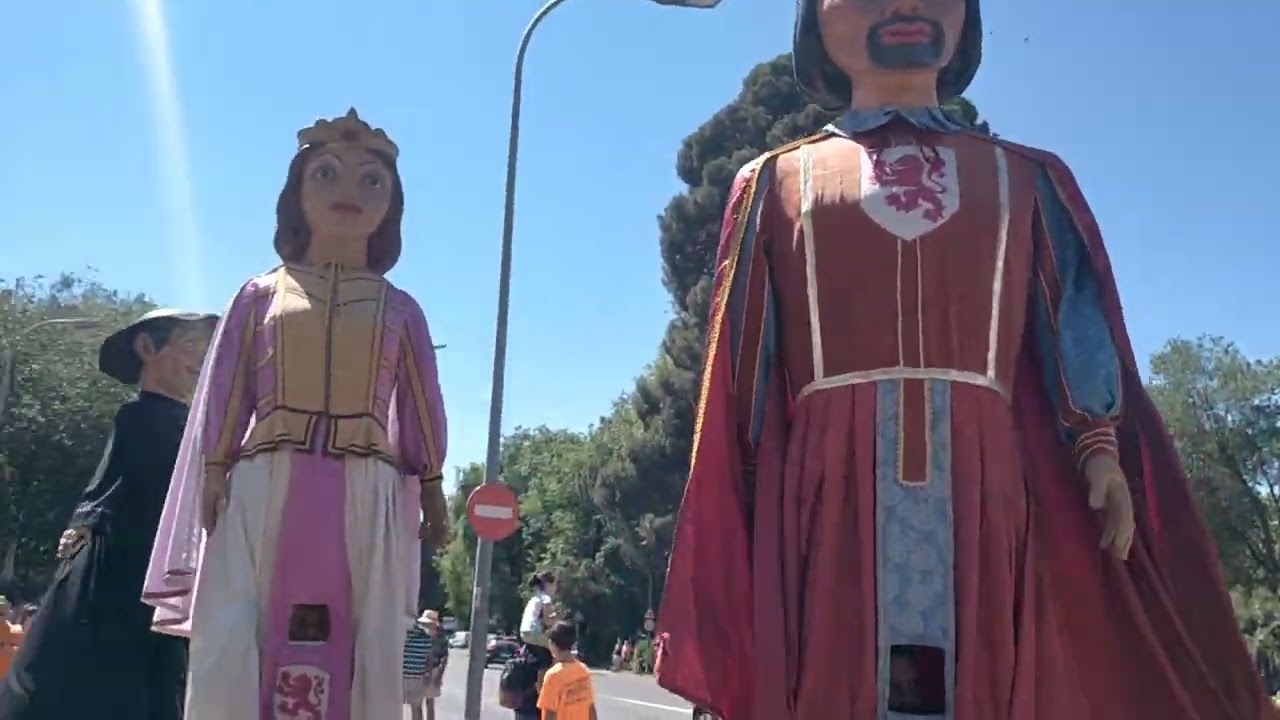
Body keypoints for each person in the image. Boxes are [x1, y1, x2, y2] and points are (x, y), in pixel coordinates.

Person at [654, 1, 1274, 719]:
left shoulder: (1025, 178)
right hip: (826, 489)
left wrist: (1098, 448)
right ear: (813, 19)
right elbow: (742, 372)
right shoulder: (774, 182)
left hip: (987, 482)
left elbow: (1069, 320)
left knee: (985, 677)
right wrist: (747, 515)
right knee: (836, 676)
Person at [141, 108, 451, 720]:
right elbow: (227, 390)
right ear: (297, 193)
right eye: (327, 174)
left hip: (368, 487)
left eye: (372, 182)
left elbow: (420, 403)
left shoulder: (400, 309)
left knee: (365, 643)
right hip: (265, 484)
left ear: (392, 206)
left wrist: (434, 489)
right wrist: (214, 468)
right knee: (241, 633)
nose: (348, 194)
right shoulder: (260, 296)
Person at [0, 309, 217, 720]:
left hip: (148, 574)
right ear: (147, 348)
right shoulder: (145, 419)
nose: (198, 359)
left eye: (204, 350)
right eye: (188, 345)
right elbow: (120, 491)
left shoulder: (183, 425)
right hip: (120, 573)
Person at [537, 621, 597, 720]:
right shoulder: (583, 670)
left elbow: (550, 713)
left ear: (552, 644)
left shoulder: (553, 675)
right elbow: (591, 708)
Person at [402, 610, 437, 720]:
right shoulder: (428, 639)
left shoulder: (407, 634)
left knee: (408, 706)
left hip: (403, 675)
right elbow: (429, 660)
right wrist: (428, 674)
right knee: (416, 707)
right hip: (417, 676)